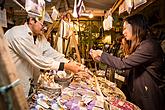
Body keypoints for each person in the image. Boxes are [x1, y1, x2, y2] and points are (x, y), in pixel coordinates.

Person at [90, 14, 165, 110]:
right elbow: (128, 68)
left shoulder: (149, 46)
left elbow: (123, 64)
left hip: (148, 97)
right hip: (138, 94)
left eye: (125, 28)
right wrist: (102, 60)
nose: (123, 32)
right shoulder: (140, 45)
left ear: (135, 26)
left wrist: (102, 54)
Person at [4, 14, 82, 97]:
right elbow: (37, 59)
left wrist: (70, 62)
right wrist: (65, 66)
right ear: (31, 20)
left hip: (29, 84)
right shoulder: (18, 34)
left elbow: (50, 53)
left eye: (47, 25)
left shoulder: (40, 37)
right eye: (43, 24)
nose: (45, 28)